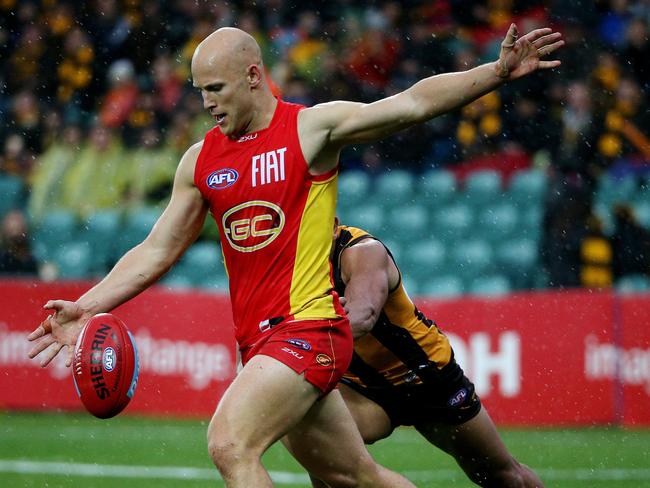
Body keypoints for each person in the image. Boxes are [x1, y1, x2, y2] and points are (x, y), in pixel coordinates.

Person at [27, 24, 563, 487]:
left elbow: (410, 105)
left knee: (230, 445)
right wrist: (88, 305)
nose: (207, 104)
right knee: (351, 477)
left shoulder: (309, 130)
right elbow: (158, 249)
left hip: (308, 328)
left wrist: (494, 73)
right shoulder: (200, 160)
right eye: (199, 92)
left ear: (254, 76)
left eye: (216, 89)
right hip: (261, 342)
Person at [303, 222, 544, 487]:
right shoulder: (294, 268)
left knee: (503, 476)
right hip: (366, 388)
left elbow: (363, 316)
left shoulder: (363, 251)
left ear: (332, 224)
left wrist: (303, 341)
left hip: (427, 377)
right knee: (321, 449)